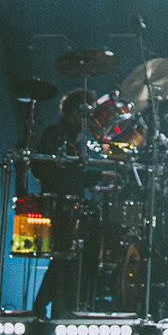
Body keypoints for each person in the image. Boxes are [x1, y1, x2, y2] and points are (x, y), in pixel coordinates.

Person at [29, 89, 100, 318]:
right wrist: (97, 176)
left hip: (69, 202)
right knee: (63, 257)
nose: (90, 119)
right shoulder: (57, 133)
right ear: (75, 111)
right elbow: (43, 169)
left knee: (67, 257)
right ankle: (49, 307)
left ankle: (55, 307)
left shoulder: (76, 137)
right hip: (58, 203)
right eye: (87, 113)